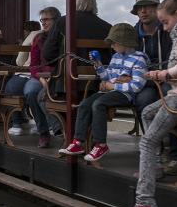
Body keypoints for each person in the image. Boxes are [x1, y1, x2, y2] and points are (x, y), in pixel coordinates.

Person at [125, 0, 177, 207]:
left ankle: (144, 200)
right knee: (146, 112)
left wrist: (163, 74)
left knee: (147, 141)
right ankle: (154, 168)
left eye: (165, 22)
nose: (163, 27)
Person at [59, 23, 148, 161]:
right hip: (110, 92)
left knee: (98, 104)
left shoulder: (139, 59)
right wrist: (98, 65)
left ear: (125, 42)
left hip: (125, 94)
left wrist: (113, 87)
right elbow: (108, 77)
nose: (111, 46)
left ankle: (100, 144)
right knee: (85, 104)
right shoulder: (116, 57)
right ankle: (78, 142)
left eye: (114, 43)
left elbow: (137, 86)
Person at [4, 7, 61, 148]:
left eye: (47, 19)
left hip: (57, 76)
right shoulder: (38, 38)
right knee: (30, 91)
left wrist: (51, 76)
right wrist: (40, 77)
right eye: (42, 20)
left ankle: (58, 127)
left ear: (56, 20)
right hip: (39, 76)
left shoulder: (63, 37)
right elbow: (34, 65)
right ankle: (44, 132)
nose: (43, 23)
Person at [42, 0, 112, 94]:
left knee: (40, 98)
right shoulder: (107, 27)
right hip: (98, 87)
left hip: (66, 86)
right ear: (94, 4)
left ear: (74, 3)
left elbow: (48, 54)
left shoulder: (62, 22)